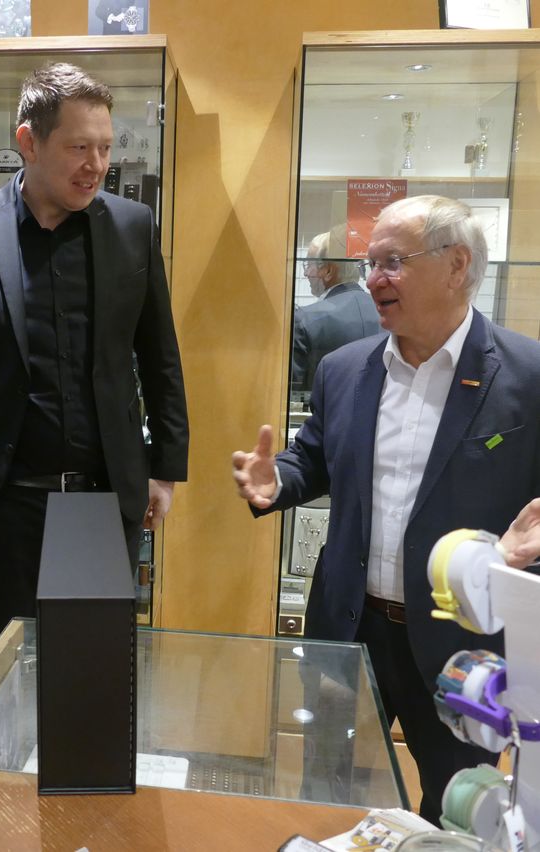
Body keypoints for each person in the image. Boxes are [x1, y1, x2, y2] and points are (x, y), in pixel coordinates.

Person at [232, 195, 540, 822]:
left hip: (464, 643)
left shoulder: (527, 375)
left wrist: (517, 558)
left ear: (457, 266)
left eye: (393, 262)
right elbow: (313, 458)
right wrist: (276, 480)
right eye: (370, 263)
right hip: (350, 629)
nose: (372, 279)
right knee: (324, 793)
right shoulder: (345, 369)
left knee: (454, 809)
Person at [0, 63, 189, 683]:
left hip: (102, 497)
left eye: (105, 147)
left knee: (91, 672)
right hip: (0, 505)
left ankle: (77, 786)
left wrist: (166, 467)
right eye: (79, 147)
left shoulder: (132, 229)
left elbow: (160, 354)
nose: (97, 164)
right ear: (28, 142)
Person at [292, 231, 381, 394]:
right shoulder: (388, 315)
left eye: (308, 265)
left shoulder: (304, 319)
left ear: (328, 271)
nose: (305, 273)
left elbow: (292, 394)